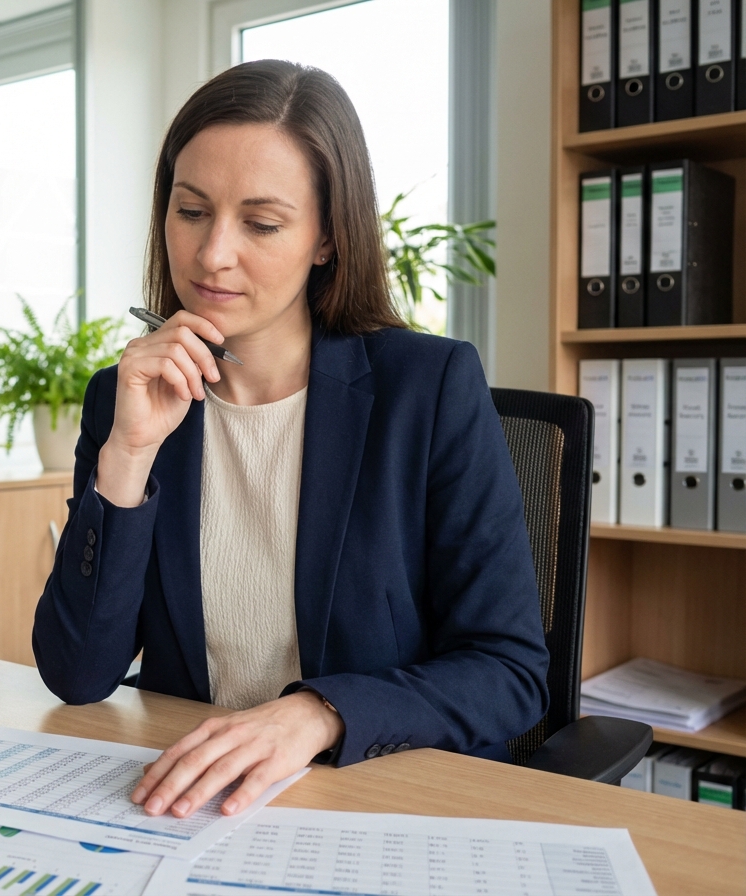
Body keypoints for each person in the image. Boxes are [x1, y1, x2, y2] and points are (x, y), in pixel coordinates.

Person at [32, 59, 549, 823]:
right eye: (191, 210)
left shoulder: (428, 388)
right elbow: (77, 673)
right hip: (193, 809)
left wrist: (319, 714)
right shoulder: (126, 397)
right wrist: (128, 457)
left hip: (377, 801)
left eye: (262, 223)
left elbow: (510, 672)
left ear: (327, 237)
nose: (212, 254)